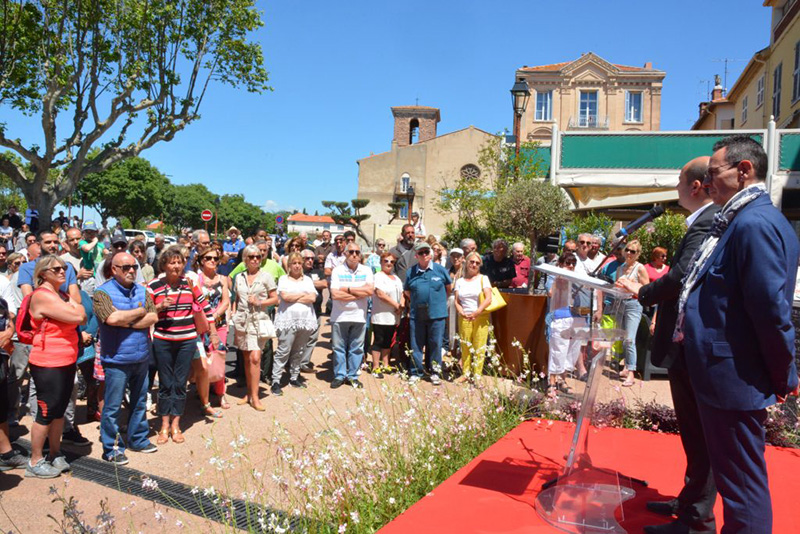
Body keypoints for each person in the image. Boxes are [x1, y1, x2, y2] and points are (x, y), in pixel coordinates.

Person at [674, 136, 799, 534]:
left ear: (743, 171)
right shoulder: (743, 219)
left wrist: (783, 374)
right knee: (735, 482)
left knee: (742, 488)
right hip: (726, 375)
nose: (707, 184)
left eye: (714, 174)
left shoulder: (753, 224)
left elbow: (770, 310)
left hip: (734, 378)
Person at [616, 156, 719, 534]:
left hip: (693, 344)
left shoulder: (707, 221)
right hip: (686, 343)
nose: (675, 187)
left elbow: (678, 278)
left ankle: (696, 520)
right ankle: (690, 502)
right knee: (693, 435)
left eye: (679, 180)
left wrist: (641, 291)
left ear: (694, 186)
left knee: (700, 436)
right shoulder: (704, 221)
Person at [148, 246, 221, 444]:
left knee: (180, 383)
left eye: (179, 262)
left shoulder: (189, 284)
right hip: (163, 340)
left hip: (187, 340)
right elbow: (144, 311)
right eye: (172, 262)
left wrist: (213, 332)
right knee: (165, 383)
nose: (176, 266)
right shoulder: (153, 285)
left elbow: (206, 308)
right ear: (164, 264)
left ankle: (176, 424)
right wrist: (159, 306)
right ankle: (163, 424)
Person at [93, 252, 159, 465]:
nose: (132, 270)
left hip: (140, 356)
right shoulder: (102, 293)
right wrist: (139, 311)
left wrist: (125, 318)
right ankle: (111, 449)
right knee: (112, 407)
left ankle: (138, 439)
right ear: (114, 269)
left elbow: (153, 316)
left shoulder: (142, 290)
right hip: (116, 360)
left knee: (139, 402)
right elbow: (110, 318)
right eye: (126, 267)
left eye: (134, 266)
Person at [24, 256, 87, 478]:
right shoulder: (42, 296)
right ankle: (35, 460)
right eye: (57, 268)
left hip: (66, 360)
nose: (63, 271)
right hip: (48, 362)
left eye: (65, 268)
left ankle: (54, 453)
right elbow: (80, 315)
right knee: (46, 412)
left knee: (58, 411)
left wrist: (75, 308)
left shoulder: (61, 295)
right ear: (43, 273)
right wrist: (75, 309)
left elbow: (81, 314)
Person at [230, 244, 278, 410]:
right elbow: (236, 298)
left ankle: (256, 397)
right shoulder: (239, 277)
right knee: (246, 358)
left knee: (255, 358)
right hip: (242, 321)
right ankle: (249, 393)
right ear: (245, 259)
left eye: (258, 256)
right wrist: (234, 313)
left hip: (259, 320)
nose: (256, 259)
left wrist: (259, 302)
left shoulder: (266, 277)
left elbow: (275, 299)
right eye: (252, 257)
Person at [404, 241, 452, 385]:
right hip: (417, 315)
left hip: (437, 315)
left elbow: (448, 288)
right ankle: (416, 372)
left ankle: (435, 372)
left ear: (430, 254)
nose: (424, 255)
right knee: (416, 344)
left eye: (426, 252)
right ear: (416, 256)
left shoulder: (440, 270)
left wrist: (437, 302)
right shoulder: (410, 272)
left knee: (436, 344)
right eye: (421, 253)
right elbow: (407, 292)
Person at [272, 252, 317, 395]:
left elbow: (313, 298)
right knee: (283, 350)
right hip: (288, 320)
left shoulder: (308, 280)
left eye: (299, 263)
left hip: (305, 320)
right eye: (294, 263)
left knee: (299, 350)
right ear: (289, 265)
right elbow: (285, 296)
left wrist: (294, 298)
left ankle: (294, 376)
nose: (297, 266)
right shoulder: (284, 279)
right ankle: (276, 380)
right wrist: (303, 295)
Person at [329, 242, 374, 388]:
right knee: (339, 348)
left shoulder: (366, 271)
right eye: (351, 252)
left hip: (359, 316)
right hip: (339, 316)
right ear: (345, 254)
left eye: (357, 252)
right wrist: (358, 293)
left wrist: (346, 288)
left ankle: (353, 376)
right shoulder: (337, 271)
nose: (354, 255)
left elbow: (370, 291)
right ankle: (340, 375)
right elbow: (335, 294)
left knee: (357, 348)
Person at [193, 245, 231, 413]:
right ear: (201, 261)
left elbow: (226, 301)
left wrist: (214, 316)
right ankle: (204, 395)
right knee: (204, 362)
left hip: (219, 324)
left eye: (215, 258)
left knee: (219, 359)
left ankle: (221, 393)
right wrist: (207, 318)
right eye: (208, 258)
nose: (212, 261)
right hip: (200, 326)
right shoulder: (196, 279)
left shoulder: (223, 279)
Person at [546, 252, 583, 395]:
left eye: (573, 263)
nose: (571, 266)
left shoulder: (577, 276)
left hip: (577, 316)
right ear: (561, 264)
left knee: (572, 351)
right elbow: (550, 292)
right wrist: (561, 276)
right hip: (560, 316)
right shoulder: (554, 275)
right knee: (558, 349)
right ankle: (551, 383)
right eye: (568, 263)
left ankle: (563, 380)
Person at [614, 239, 649, 387]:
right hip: (620, 303)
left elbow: (646, 288)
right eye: (627, 250)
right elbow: (616, 286)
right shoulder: (620, 268)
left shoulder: (640, 268)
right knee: (622, 337)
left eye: (632, 251)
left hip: (633, 304)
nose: (629, 253)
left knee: (629, 339)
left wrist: (631, 287)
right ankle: (627, 366)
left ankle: (631, 373)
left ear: (638, 254)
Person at [453, 252, 491, 382]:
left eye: (477, 263)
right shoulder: (459, 281)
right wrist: (461, 311)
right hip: (464, 317)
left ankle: (477, 375)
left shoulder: (483, 278)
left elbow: (488, 298)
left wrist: (477, 312)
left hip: (480, 316)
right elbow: (457, 301)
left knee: (479, 347)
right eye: (472, 262)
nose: (474, 264)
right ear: (466, 262)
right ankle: (465, 373)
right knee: (465, 346)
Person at [370, 252, 404, 378]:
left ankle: (385, 364)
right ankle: (375, 367)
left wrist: (401, 305)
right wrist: (396, 305)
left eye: (392, 262)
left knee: (388, 341)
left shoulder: (396, 278)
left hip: (393, 316)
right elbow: (380, 293)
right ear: (381, 262)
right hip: (380, 314)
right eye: (386, 261)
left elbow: (402, 293)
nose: (389, 263)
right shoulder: (378, 276)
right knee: (378, 340)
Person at [299, 249, 326, 374]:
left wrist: (307, 282)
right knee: (298, 339)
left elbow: (324, 283)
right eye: (307, 258)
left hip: (316, 311)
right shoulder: (296, 273)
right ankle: (293, 362)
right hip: (301, 311)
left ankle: (303, 363)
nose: (310, 261)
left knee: (312, 338)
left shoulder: (317, 272)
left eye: (312, 258)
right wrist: (314, 284)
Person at [61, 227, 97, 296]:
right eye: (72, 240)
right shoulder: (62, 260)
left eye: (78, 239)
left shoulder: (92, 255)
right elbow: (61, 285)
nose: (76, 242)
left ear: (82, 238)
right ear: (67, 242)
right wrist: (78, 276)